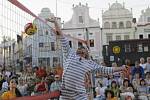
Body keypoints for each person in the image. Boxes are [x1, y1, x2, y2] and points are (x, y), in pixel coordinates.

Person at [49, 17, 125, 100]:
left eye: (83, 50)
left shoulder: (88, 63)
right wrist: (55, 22)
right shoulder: (69, 54)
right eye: (79, 49)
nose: (80, 50)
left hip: (79, 94)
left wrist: (122, 68)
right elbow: (62, 38)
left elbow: (105, 69)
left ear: (85, 54)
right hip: (65, 92)